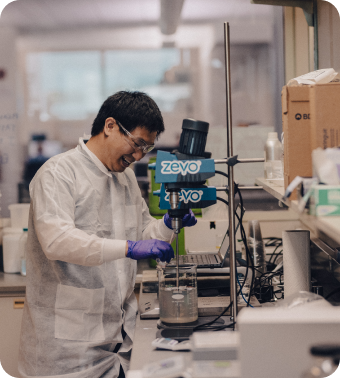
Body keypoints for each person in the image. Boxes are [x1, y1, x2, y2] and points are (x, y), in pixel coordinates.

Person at [18, 91, 197, 378]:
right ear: (110, 126)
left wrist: (167, 223)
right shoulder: (58, 173)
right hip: (67, 353)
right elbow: (57, 241)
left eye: (147, 148)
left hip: (119, 341)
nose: (138, 155)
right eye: (137, 143)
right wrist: (128, 248)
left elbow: (143, 233)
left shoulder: (124, 177)